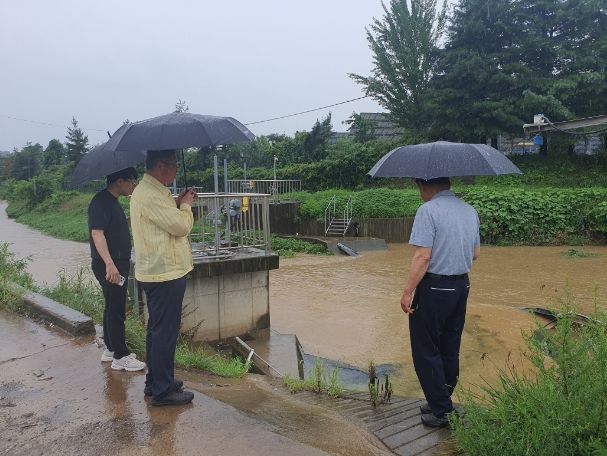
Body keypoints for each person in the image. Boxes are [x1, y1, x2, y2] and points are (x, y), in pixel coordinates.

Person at [400, 177, 480, 428]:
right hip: (462, 286)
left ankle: (443, 411)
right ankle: (441, 399)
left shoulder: (428, 210)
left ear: (425, 186)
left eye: (419, 189)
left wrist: (407, 292)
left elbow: (422, 257)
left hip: (435, 287)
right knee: (449, 345)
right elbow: (476, 254)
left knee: (425, 349)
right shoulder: (469, 210)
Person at [130, 150, 196, 406]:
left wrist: (177, 203)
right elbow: (181, 227)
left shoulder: (152, 191)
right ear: (161, 166)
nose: (176, 172)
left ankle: (156, 381)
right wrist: (186, 205)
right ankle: (163, 390)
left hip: (159, 271)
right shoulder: (150, 195)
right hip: (164, 274)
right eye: (174, 167)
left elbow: (166, 220)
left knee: (157, 330)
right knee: (164, 333)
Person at [88, 167, 146, 372]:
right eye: (132, 181)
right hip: (110, 265)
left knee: (111, 306)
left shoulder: (112, 202)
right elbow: (97, 234)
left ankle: (111, 349)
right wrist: (110, 264)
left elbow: (119, 226)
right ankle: (121, 356)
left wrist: (137, 218)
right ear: (120, 181)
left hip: (115, 263)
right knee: (117, 309)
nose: (133, 185)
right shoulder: (101, 202)